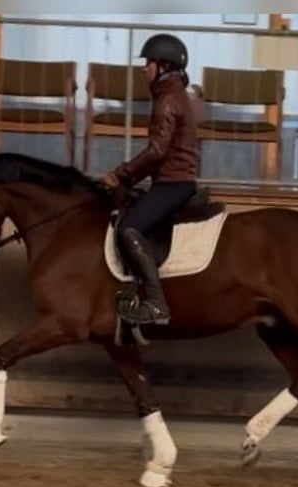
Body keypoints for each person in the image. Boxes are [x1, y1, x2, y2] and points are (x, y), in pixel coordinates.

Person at [101, 32, 200, 325]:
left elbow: (157, 152)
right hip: (172, 180)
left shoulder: (168, 100)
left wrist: (121, 175)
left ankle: (157, 304)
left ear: (164, 66)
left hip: (174, 184)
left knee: (129, 229)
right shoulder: (176, 96)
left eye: (149, 62)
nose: (144, 68)